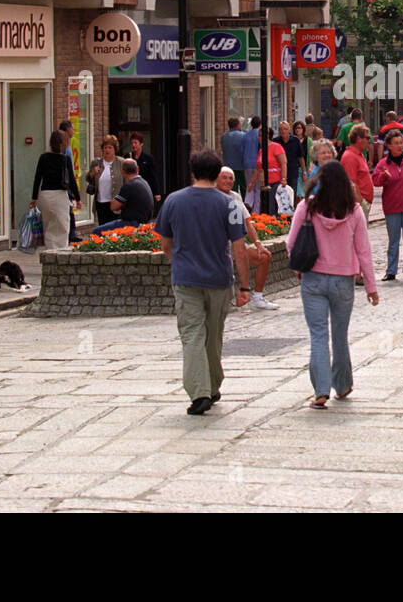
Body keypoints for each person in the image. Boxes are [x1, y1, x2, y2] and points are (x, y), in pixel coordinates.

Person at [157, 149, 251, 415]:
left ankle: (200, 391)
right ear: (217, 172)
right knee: (214, 333)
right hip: (219, 278)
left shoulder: (173, 201)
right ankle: (212, 383)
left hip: (186, 278)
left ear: (193, 171)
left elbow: (166, 244)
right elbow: (239, 248)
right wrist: (245, 287)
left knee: (192, 333)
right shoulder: (230, 204)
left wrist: (179, 260)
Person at [288, 160, 378, 408]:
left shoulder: (307, 207)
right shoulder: (354, 210)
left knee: (318, 335)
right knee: (340, 335)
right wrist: (370, 286)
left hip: (313, 279)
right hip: (343, 281)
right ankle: (343, 383)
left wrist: (298, 269)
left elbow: (291, 243)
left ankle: (320, 390)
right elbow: (364, 251)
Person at [215, 166, 277, 310]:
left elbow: (247, 223)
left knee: (264, 256)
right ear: (216, 179)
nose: (228, 181)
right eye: (224, 177)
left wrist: (258, 244)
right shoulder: (210, 196)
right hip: (217, 248)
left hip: (236, 245)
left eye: (231, 178)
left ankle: (258, 298)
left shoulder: (235, 197)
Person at [371, 129, 403, 281]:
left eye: (401, 143)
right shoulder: (383, 164)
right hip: (392, 207)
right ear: (389, 146)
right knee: (393, 240)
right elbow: (375, 181)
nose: (399, 146)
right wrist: (384, 177)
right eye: (396, 143)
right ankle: (391, 270)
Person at [30, 130, 81, 249]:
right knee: (63, 225)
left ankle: (50, 249)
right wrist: (78, 198)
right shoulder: (65, 159)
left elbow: (37, 178)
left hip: (45, 194)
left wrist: (34, 197)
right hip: (60, 195)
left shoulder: (43, 157)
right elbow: (72, 181)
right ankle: (61, 250)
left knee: (48, 225)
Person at [93, 158, 154, 233]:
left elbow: (113, 207)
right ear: (137, 169)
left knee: (96, 231)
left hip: (131, 223)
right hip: (145, 222)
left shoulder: (129, 186)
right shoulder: (144, 182)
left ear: (123, 171)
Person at [88, 135, 125, 225]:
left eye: (110, 148)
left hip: (116, 204)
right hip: (101, 203)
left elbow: (127, 182)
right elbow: (88, 179)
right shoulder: (97, 163)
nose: (107, 150)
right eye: (105, 148)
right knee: (103, 230)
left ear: (115, 149)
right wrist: (92, 173)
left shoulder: (121, 163)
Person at [340, 124, 373, 209]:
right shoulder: (350, 157)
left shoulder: (359, 154)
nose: (369, 141)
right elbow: (351, 185)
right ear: (358, 139)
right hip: (358, 206)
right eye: (367, 138)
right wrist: (361, 203)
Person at [60, 120, 79, 241]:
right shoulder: (65, 145)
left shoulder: (68, 143)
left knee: (69, 209)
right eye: (73, 128)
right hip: (66, 183)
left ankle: (71, 233)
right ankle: (71, 234)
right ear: (68, 130)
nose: (74, 131)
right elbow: (67, 168)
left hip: (67, 182)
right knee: (68, 210)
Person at [129, 132, 160, 203]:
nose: (133, 145)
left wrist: (156, 192)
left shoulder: (148, 158)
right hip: (132, 189)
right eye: (132, 143)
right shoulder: (128, 157)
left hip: (145, 189)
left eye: (135, 143)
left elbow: (153, 176)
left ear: (141, 144)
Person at [220, 117, 247, 194]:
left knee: (231, 188)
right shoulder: (243, 136)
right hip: (241, 166)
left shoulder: (224, 136)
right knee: (243, 188)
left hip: (228, 166)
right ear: (238, 125)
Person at [277, 121, 305, 195]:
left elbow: (301, 157)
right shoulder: (276, 141)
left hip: (292, 172)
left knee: (292, 195)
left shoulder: (295, 140)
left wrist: (304, 172)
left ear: (289, 130)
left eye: (285, 129)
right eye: (281, 129)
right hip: (279, 173)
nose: (283, 131)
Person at [242, 116, 261, 204]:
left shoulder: (245, 135)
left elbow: (242, 150)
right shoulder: (260, 135)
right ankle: (256, 211)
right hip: (257, 164)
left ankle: (248, 204)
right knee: (257, 188)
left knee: (249, 187)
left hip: (247, 164)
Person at [290, 121, 309, 196]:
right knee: (297, 192)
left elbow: (309, 156)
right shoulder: (292, 140)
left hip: (304, 168)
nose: (298, 130)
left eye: (299, 128)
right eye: (296, 128)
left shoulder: (308, 140)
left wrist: (307, 170)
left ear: (303, 129)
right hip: (295, 168)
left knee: (304, 192)